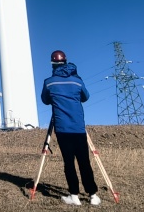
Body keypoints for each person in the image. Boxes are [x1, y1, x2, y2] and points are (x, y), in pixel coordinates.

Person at [41, 50, 101, 206]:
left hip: (62, 128)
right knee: (84, 162)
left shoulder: (49, 82)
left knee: (69, 163)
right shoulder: (77, 81)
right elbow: (85, 97)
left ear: (52, 64)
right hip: (79, 128)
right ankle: (93, 195)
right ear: (66, 62)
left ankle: (74, 196)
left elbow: (45, 100)